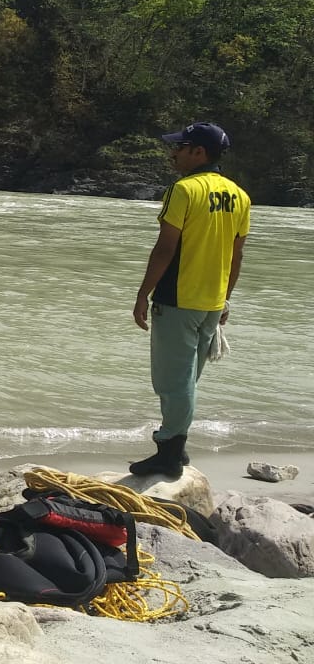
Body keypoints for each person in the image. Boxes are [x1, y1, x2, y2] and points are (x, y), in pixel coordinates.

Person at [130, 122, 250, 477]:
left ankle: (169, 451)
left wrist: (142, 294)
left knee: (172, 381)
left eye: (180, 147)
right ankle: (177, 448)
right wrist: (225, 299)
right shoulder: (239, 196)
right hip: (211, 302)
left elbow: (165, 248)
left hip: (178, 299)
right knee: (187, 379)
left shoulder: (183, 190)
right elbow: (237, 255)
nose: (174, 153)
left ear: (199, 152)